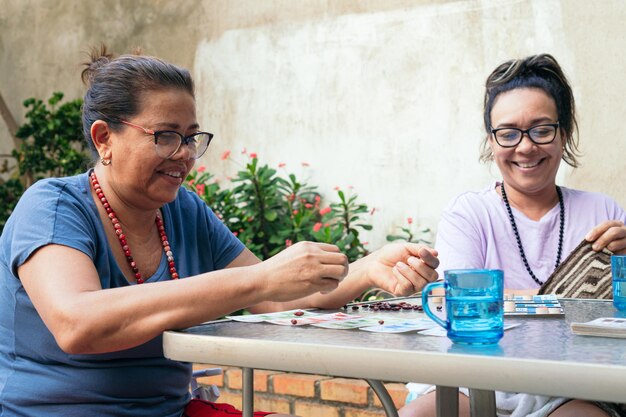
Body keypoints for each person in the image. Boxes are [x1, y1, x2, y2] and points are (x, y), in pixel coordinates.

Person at [0, 46, 440, 417]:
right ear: (104, 138)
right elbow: (78, 323)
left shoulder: (184, 211)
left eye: (191, 137)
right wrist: (261, 278)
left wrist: (369, 269)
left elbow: (273, 296)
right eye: (166, 136)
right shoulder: (54, 207)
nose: (185, 155)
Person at [399, 53, 626, 417]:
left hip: (575, 387)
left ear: (563, 133)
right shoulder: (468, 212)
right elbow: (456, 301)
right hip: (472, 381)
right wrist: (567, 295)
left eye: (541, 129)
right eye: (508, 133)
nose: (525, 147)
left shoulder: (605, 214)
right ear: (491, 141)